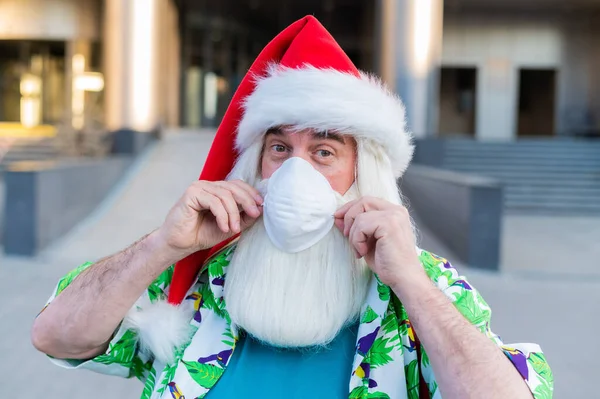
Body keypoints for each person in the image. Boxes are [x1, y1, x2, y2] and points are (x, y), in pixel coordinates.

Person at [31, 16, 552, 399]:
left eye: (324, 152)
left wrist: (412, 284)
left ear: (361, 173)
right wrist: (162, 244)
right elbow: (55, 337)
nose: (295, 172)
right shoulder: (196, 281)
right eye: (280, 149)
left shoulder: (418, 289)